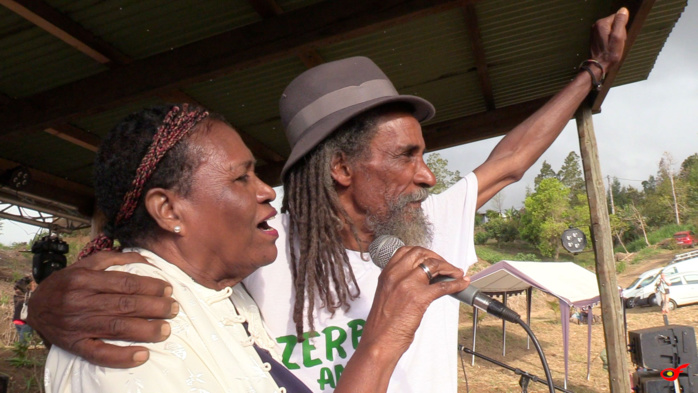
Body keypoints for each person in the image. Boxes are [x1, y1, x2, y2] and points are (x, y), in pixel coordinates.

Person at [28, 8, 629, 393]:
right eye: (405, 156)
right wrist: (52, 303)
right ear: (340, 167)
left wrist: (592, 74)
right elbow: (153, 269)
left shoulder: (428, 230)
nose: (427, 178)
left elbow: (512, 159)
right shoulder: (259, 255)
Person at [41, 103, 468, 392]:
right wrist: (382, 339)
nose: (267, 192)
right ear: (168, 210)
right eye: (241, 178)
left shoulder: (228, 299)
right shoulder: (134, 324)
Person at [13, 275, 36, 344]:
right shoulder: (22, 297)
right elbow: (33, 293)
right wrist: (30, 280)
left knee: (22, 344)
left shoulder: (19, 297)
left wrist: (31, 282)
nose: (16, 290)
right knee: (22, 345)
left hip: (23, 323)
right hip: (21, 322)